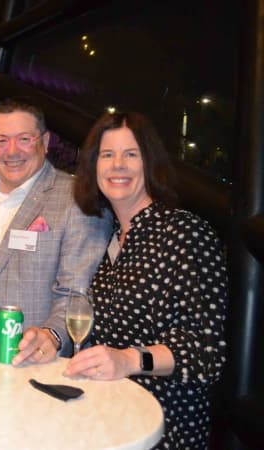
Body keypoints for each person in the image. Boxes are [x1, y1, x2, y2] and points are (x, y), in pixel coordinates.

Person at [65, 111, 227, 448]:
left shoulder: (185, 233)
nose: (118, 165)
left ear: (150, 162)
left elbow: (206, 352)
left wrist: (129, 359)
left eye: (131, 154)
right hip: (109, 420)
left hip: (164, 428)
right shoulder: (107, 236)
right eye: (107, 155)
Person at [0, 99, 112, 364]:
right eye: (2, 141)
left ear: (44, 142)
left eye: (24, 139)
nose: (12, 151)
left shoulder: (78, 199)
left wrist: (52, 335)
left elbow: (79, 293)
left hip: (28, 362)